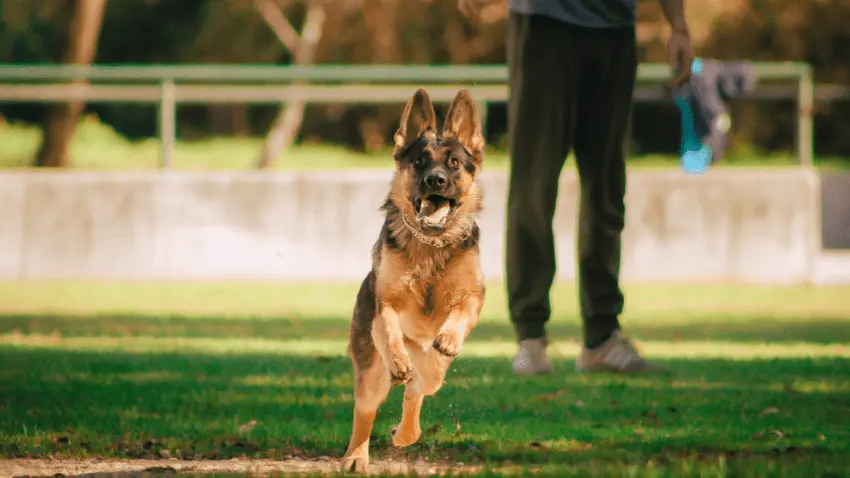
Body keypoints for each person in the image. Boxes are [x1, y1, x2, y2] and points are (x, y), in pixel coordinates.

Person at [458, 0, 694, 374]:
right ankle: (531, 337)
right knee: (534, 183)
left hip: (615, 29)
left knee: (607, 187)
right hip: (546, 23)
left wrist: (678, 24)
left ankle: (602, 336)